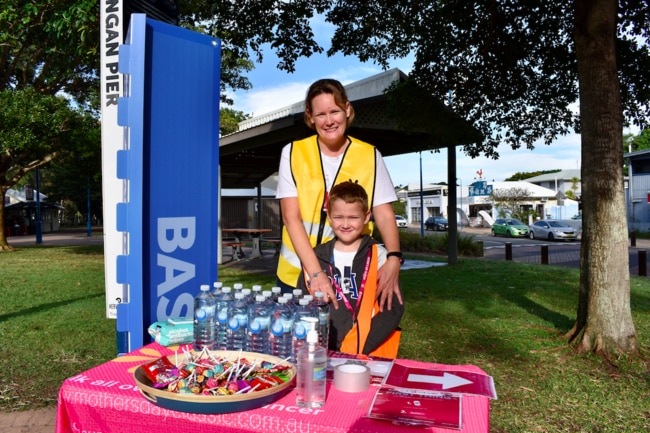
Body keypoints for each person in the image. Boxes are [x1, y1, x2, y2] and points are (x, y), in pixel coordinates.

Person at [275, 78, 403, 311]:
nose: (329, 120)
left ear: (347, 110)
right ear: (310, 117)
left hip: (351, 276)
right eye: (321, 114)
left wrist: (394, 257)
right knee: (297, 346)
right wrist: (316, 273)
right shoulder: (293, 153)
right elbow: (290, 218)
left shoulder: (370, 155)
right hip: (297, 273)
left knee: (352, 345)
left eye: (335, 111)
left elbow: (384, 214)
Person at [296, 181, 403, 357]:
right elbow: (301, 304)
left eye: (353, 217)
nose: (345, 224)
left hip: (367, 352)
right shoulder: (315, 258)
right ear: (329, 216)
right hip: (322, 352)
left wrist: (358, 347)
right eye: (338, 217)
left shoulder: (379, 256)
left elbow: (392, 308)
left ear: (366, 216)